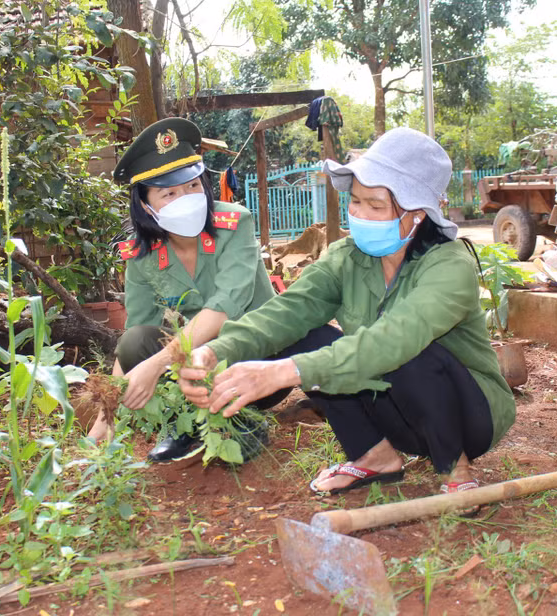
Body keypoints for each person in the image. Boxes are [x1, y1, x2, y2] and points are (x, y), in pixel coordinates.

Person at [178, 127, 516, 495]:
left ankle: (456, 468)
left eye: (375, 205)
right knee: (307, 337)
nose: (359, 214)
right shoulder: (346, 259)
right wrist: (215, 350)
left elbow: (394, 340)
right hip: (395, 410)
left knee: (406, 352)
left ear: (418, 215)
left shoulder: (449, 265)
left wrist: (281, 373)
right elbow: (287, 311)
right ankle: (374, 456)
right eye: (355, 201)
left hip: (467, 416)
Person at [87, 118, 274, 461]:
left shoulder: (235, 224)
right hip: (195, 361)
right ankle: (182, 426)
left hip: (256, 350)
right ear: (145, 205)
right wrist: (105, 418)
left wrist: (157, 365)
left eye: (192, 186)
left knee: (204, 342)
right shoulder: (141, 254)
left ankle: (246, 419)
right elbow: (137, 333)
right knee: (135, 342)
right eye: (169, 193)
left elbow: (223, 309)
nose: (185, 198)